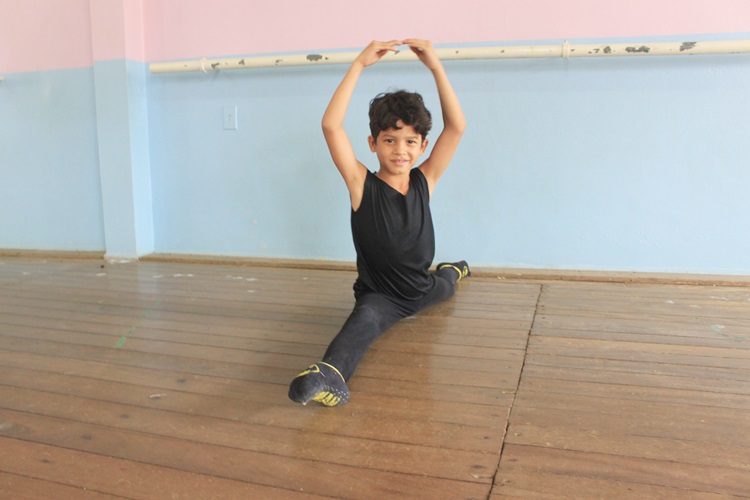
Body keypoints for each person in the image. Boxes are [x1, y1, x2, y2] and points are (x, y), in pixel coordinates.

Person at [288, 39, 469, 407]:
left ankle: (452, 270)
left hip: (422, 288)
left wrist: (436, 67)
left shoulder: (425, 179)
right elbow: (331, 126)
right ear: (372, 143)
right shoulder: (361, 184)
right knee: (363, 322)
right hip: (382, 297)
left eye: (410, 141)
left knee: (446, 285)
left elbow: (456, 127)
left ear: (422, 146)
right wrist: (358, 64)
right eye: (390, 140)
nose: (400, 150)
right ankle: (329, 376)